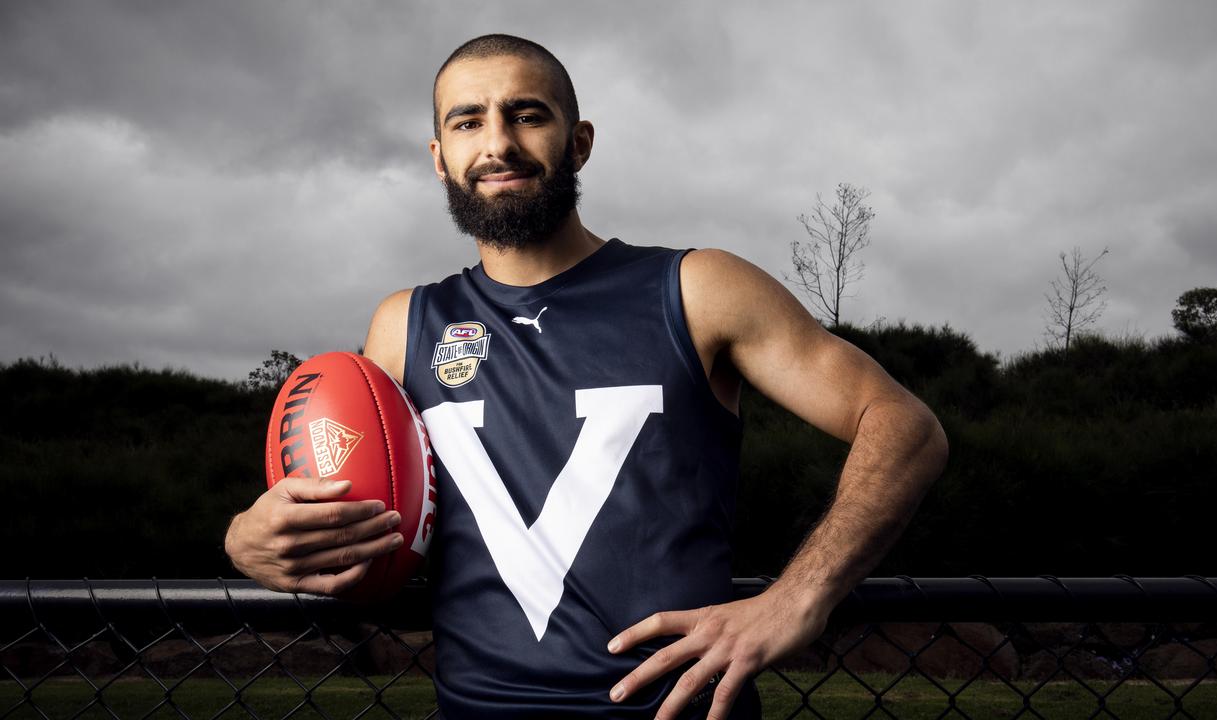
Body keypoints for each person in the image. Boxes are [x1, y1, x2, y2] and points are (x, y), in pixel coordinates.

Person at [224, 34, 948, 719]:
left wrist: (800, 597)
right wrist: (252, 540)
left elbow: (902, 425)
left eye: (527, 115)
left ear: (579, 142)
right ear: (440, 157)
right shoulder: (405, 324)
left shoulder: (697, 288)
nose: (498, 142)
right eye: (469, 122)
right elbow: (358, 519)